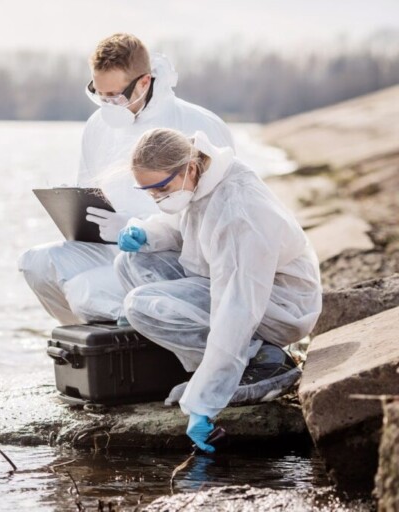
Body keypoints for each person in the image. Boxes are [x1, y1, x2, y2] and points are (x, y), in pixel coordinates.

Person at [114, 128, 322, 452]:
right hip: (231, 282)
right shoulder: (199, 179)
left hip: (279, 304)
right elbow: (184, 228)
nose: (157, 198)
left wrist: (205, 402)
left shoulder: (238, 211)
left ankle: (265, 361)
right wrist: (145, 232)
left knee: (141, 305)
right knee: (132, 261)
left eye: (161, 189)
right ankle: (216, 364)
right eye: (149, 192)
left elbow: (237, 306)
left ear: (190, 169)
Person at [18, 33, 234, 326]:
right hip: (107, 246)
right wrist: (80, 216)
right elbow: (88, 189)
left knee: (87, 291)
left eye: (116, 96)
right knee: (36, 263)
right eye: (99, 94)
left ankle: (156, 340)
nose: (107, 105)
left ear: (144, 82)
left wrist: (137, 227)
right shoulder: (98, 125)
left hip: (168, 258)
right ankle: (90, 345)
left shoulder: (197, 123)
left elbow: (219, 219)